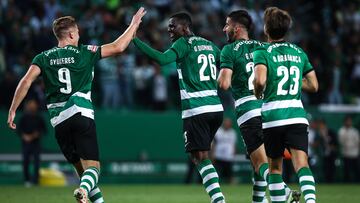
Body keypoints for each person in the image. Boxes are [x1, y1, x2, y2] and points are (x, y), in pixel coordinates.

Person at [7, 8, 146, 203]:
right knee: (93, 170)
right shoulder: (85, 52)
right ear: (72, 34)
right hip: (80, 113)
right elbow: (118, 47)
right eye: (78, 31)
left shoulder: (43, 57)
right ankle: (81, 190)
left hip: (59, 122)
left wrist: (13, 110)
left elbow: (26, 81)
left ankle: (90, 195)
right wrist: (133, 25)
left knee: (84, 173)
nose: (79, 34)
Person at [133, 12, 226, 203]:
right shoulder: (209, 44)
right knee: (203, 156)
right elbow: (225, 64)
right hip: (216, 109)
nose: (169, 29)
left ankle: (218, 200)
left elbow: (162, 59)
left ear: (185, 28)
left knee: (200, 158)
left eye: (172, 26)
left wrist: (135, 40)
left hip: (197, 109)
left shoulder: (183, 43)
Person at [217, 10, 297, 203]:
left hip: (248, 110)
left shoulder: (229, 50)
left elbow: (224, 84)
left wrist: (218, 77)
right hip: (269, 110)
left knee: (260, 162)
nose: (224, 28)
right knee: (262, 163)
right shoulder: (264, 47)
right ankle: (258, 201)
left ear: (236, 29)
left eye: (227, 25)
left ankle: (283, 191)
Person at [253, 7, 318, 203]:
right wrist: (294, 81)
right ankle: (311, 201)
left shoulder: (262, 51)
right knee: (302, 164)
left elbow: (260, 80)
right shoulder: (299, 52)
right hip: (297, 116)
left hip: (273, 117)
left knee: (274, 168)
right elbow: (314, 85)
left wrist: (258, 93)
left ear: (266, 29)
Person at [17, 99, 46, 187]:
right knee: (25, 161)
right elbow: (19, 130)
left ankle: (36, 181)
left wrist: (36, 135)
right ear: (28, 105)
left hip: (36, 144)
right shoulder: (23, 117)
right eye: (31, 104)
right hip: (26, 144)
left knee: (36, 162)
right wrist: (25, 136)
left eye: (34, 104)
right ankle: (27, 180)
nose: (32, 106)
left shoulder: (39, 117)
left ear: (36, 105)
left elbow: (44, 130)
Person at [212, 118, 237, 184]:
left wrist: (233, 154)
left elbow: (233, 144)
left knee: (229, 173)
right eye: (226, 123)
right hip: (218, 155)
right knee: (217, 172)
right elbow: (214, 144)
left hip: (228, 156)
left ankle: (231, 185)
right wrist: (213, 154)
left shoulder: (232, 132)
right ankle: (215, 184)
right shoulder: (218, 131)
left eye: (228, 123)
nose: (227, 124)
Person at [338, 116, 359, 182]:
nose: (348, 122)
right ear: (345, 122)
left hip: (354, 153)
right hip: (345, 153)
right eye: (347, 121)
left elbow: (358, 141)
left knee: (355, 169)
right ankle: (347, 182)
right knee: (346, 170)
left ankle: (356, 182)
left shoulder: (355, 131)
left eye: (350, 121)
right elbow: (341, 141)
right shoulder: (341, 131)